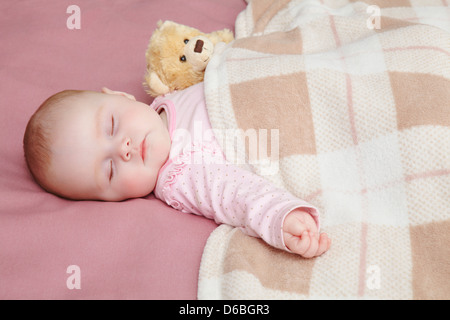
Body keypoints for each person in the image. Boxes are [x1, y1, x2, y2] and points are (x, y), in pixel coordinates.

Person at [23, 83, 331, 258]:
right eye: (111, 170)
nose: (123, 148)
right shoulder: (178, 176)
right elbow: (232, 193)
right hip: (306, 125)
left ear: (120, 96)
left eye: (112, 125)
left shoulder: (168, 95)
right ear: (113, 201)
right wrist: (280, 216)